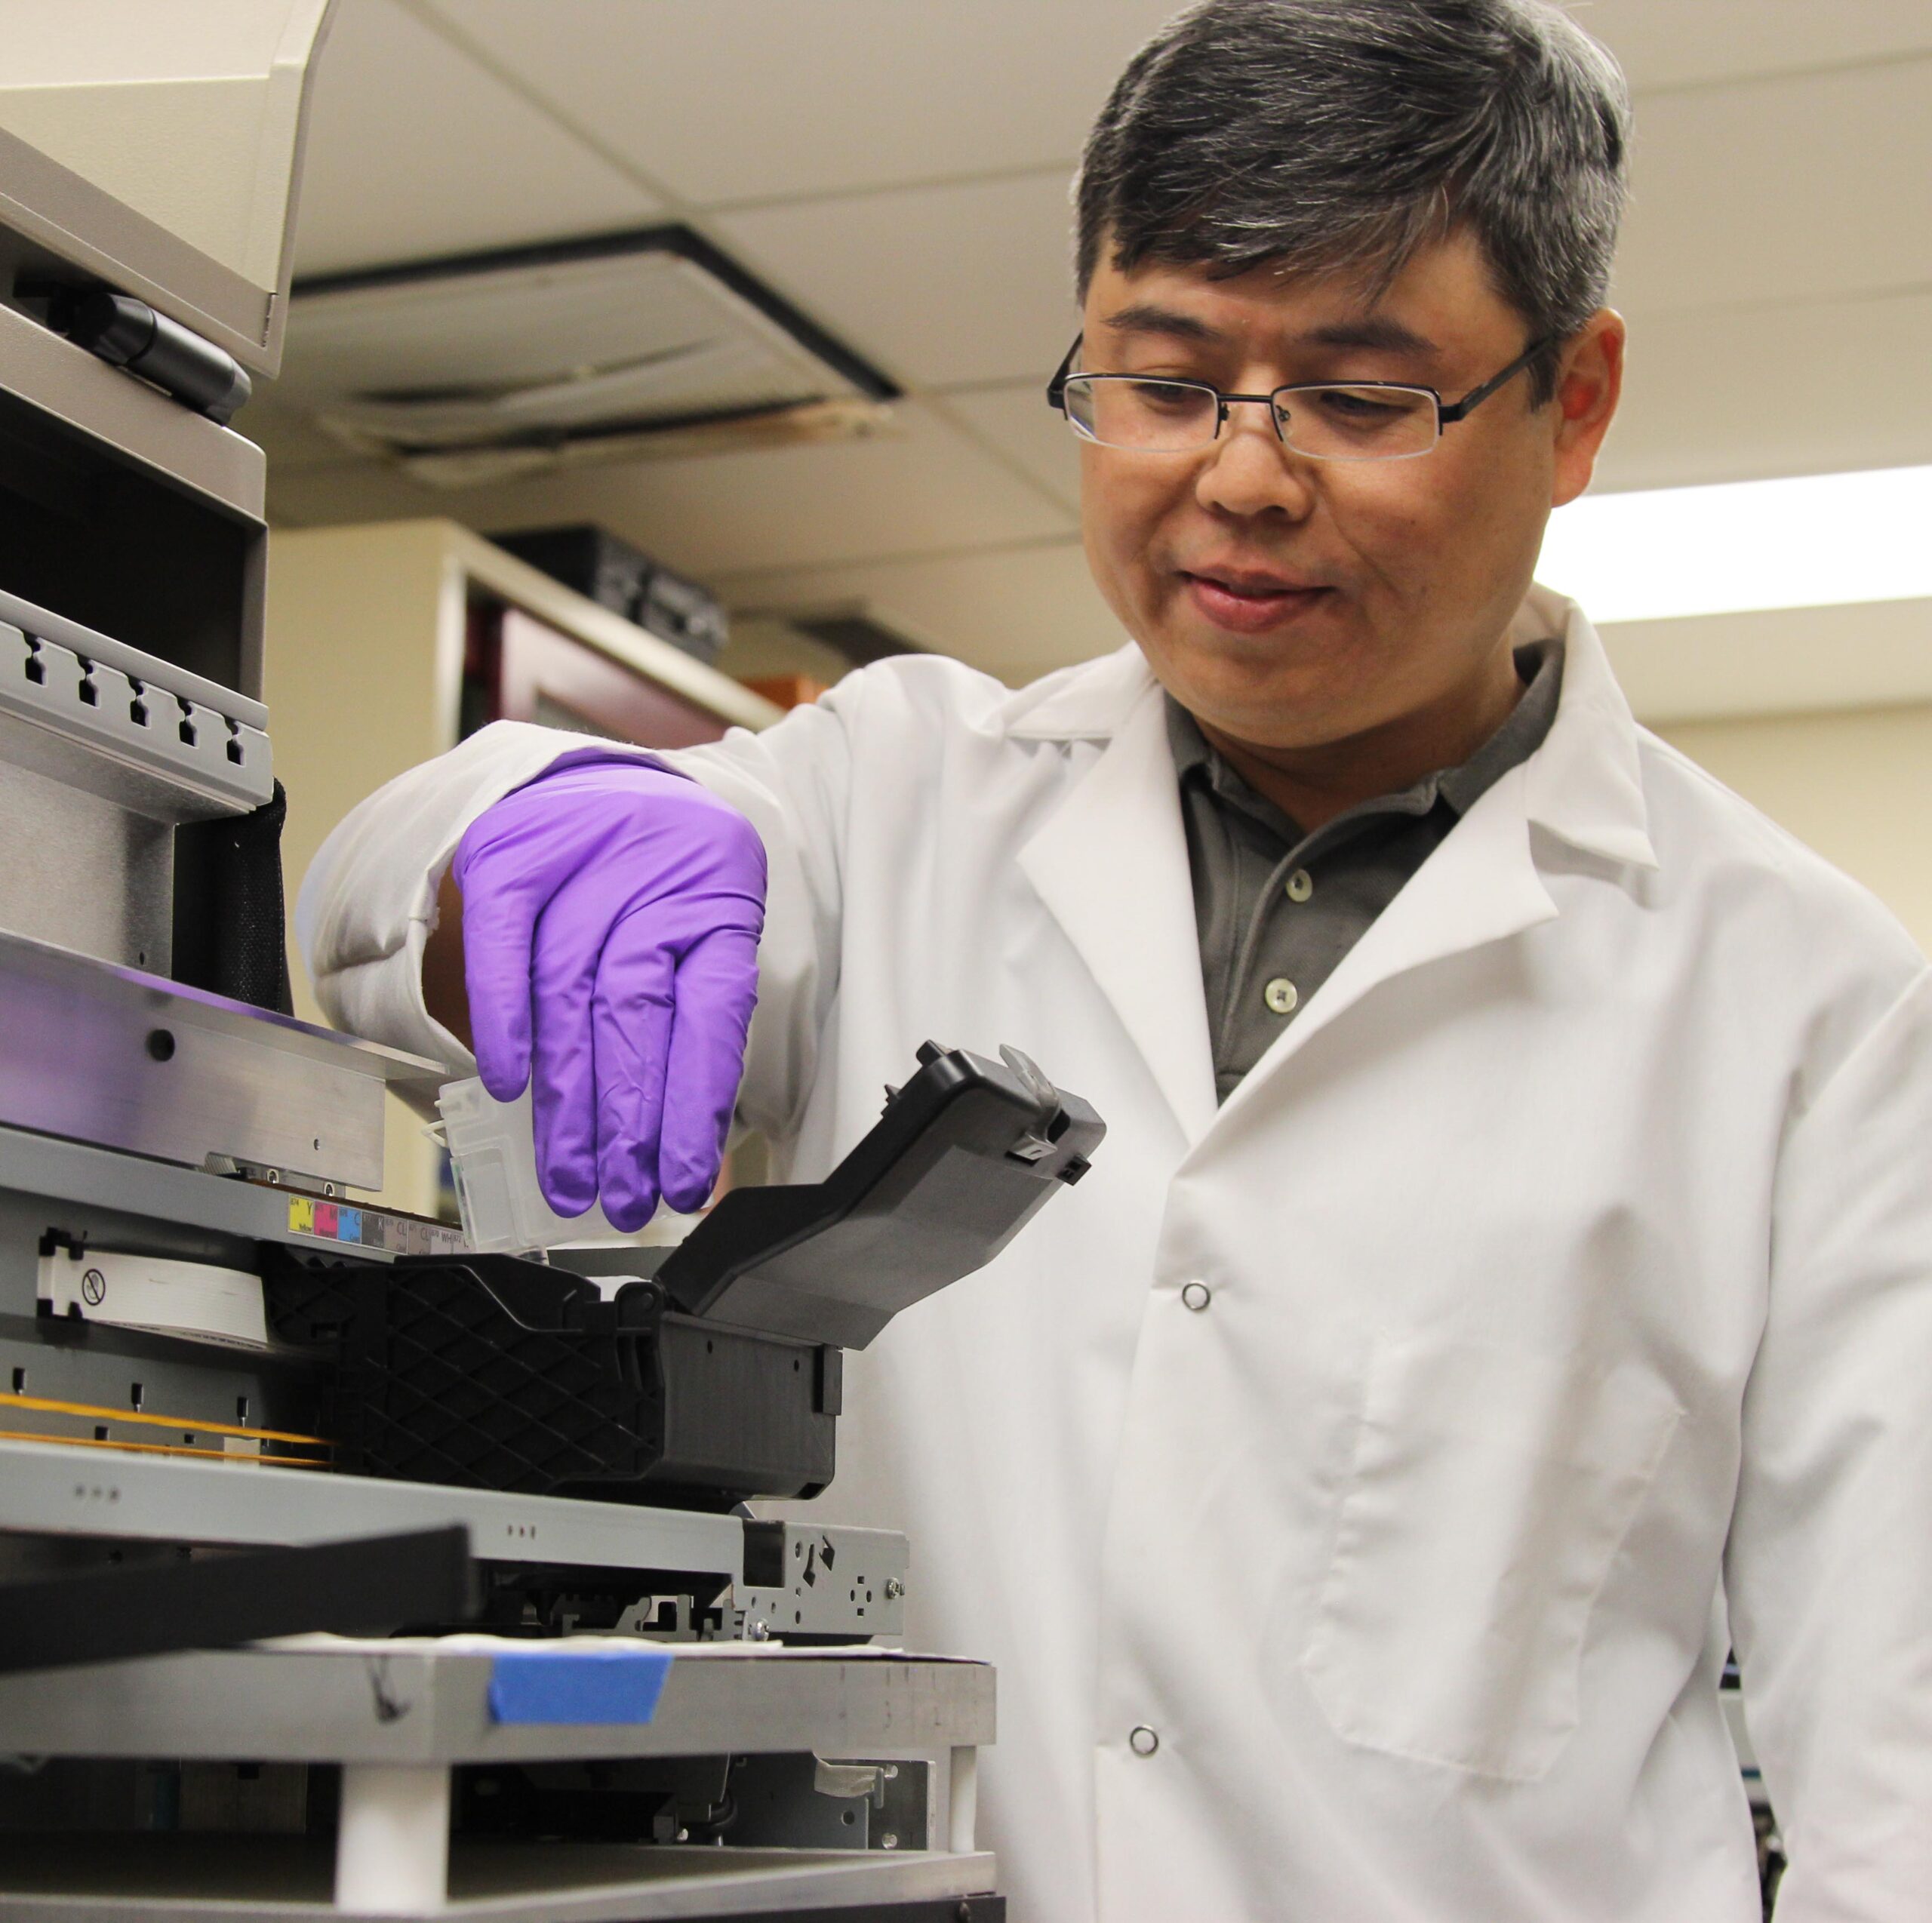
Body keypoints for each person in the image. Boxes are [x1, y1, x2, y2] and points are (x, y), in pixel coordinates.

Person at [298, 2, 1932, 1915]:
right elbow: (368, 910)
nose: (1238, 477)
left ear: (1571, 402)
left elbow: (1891, 1787)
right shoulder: (897, 790)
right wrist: (506, 854)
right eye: (1161, 381)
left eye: (1356, 394)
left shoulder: (1807, 1008)